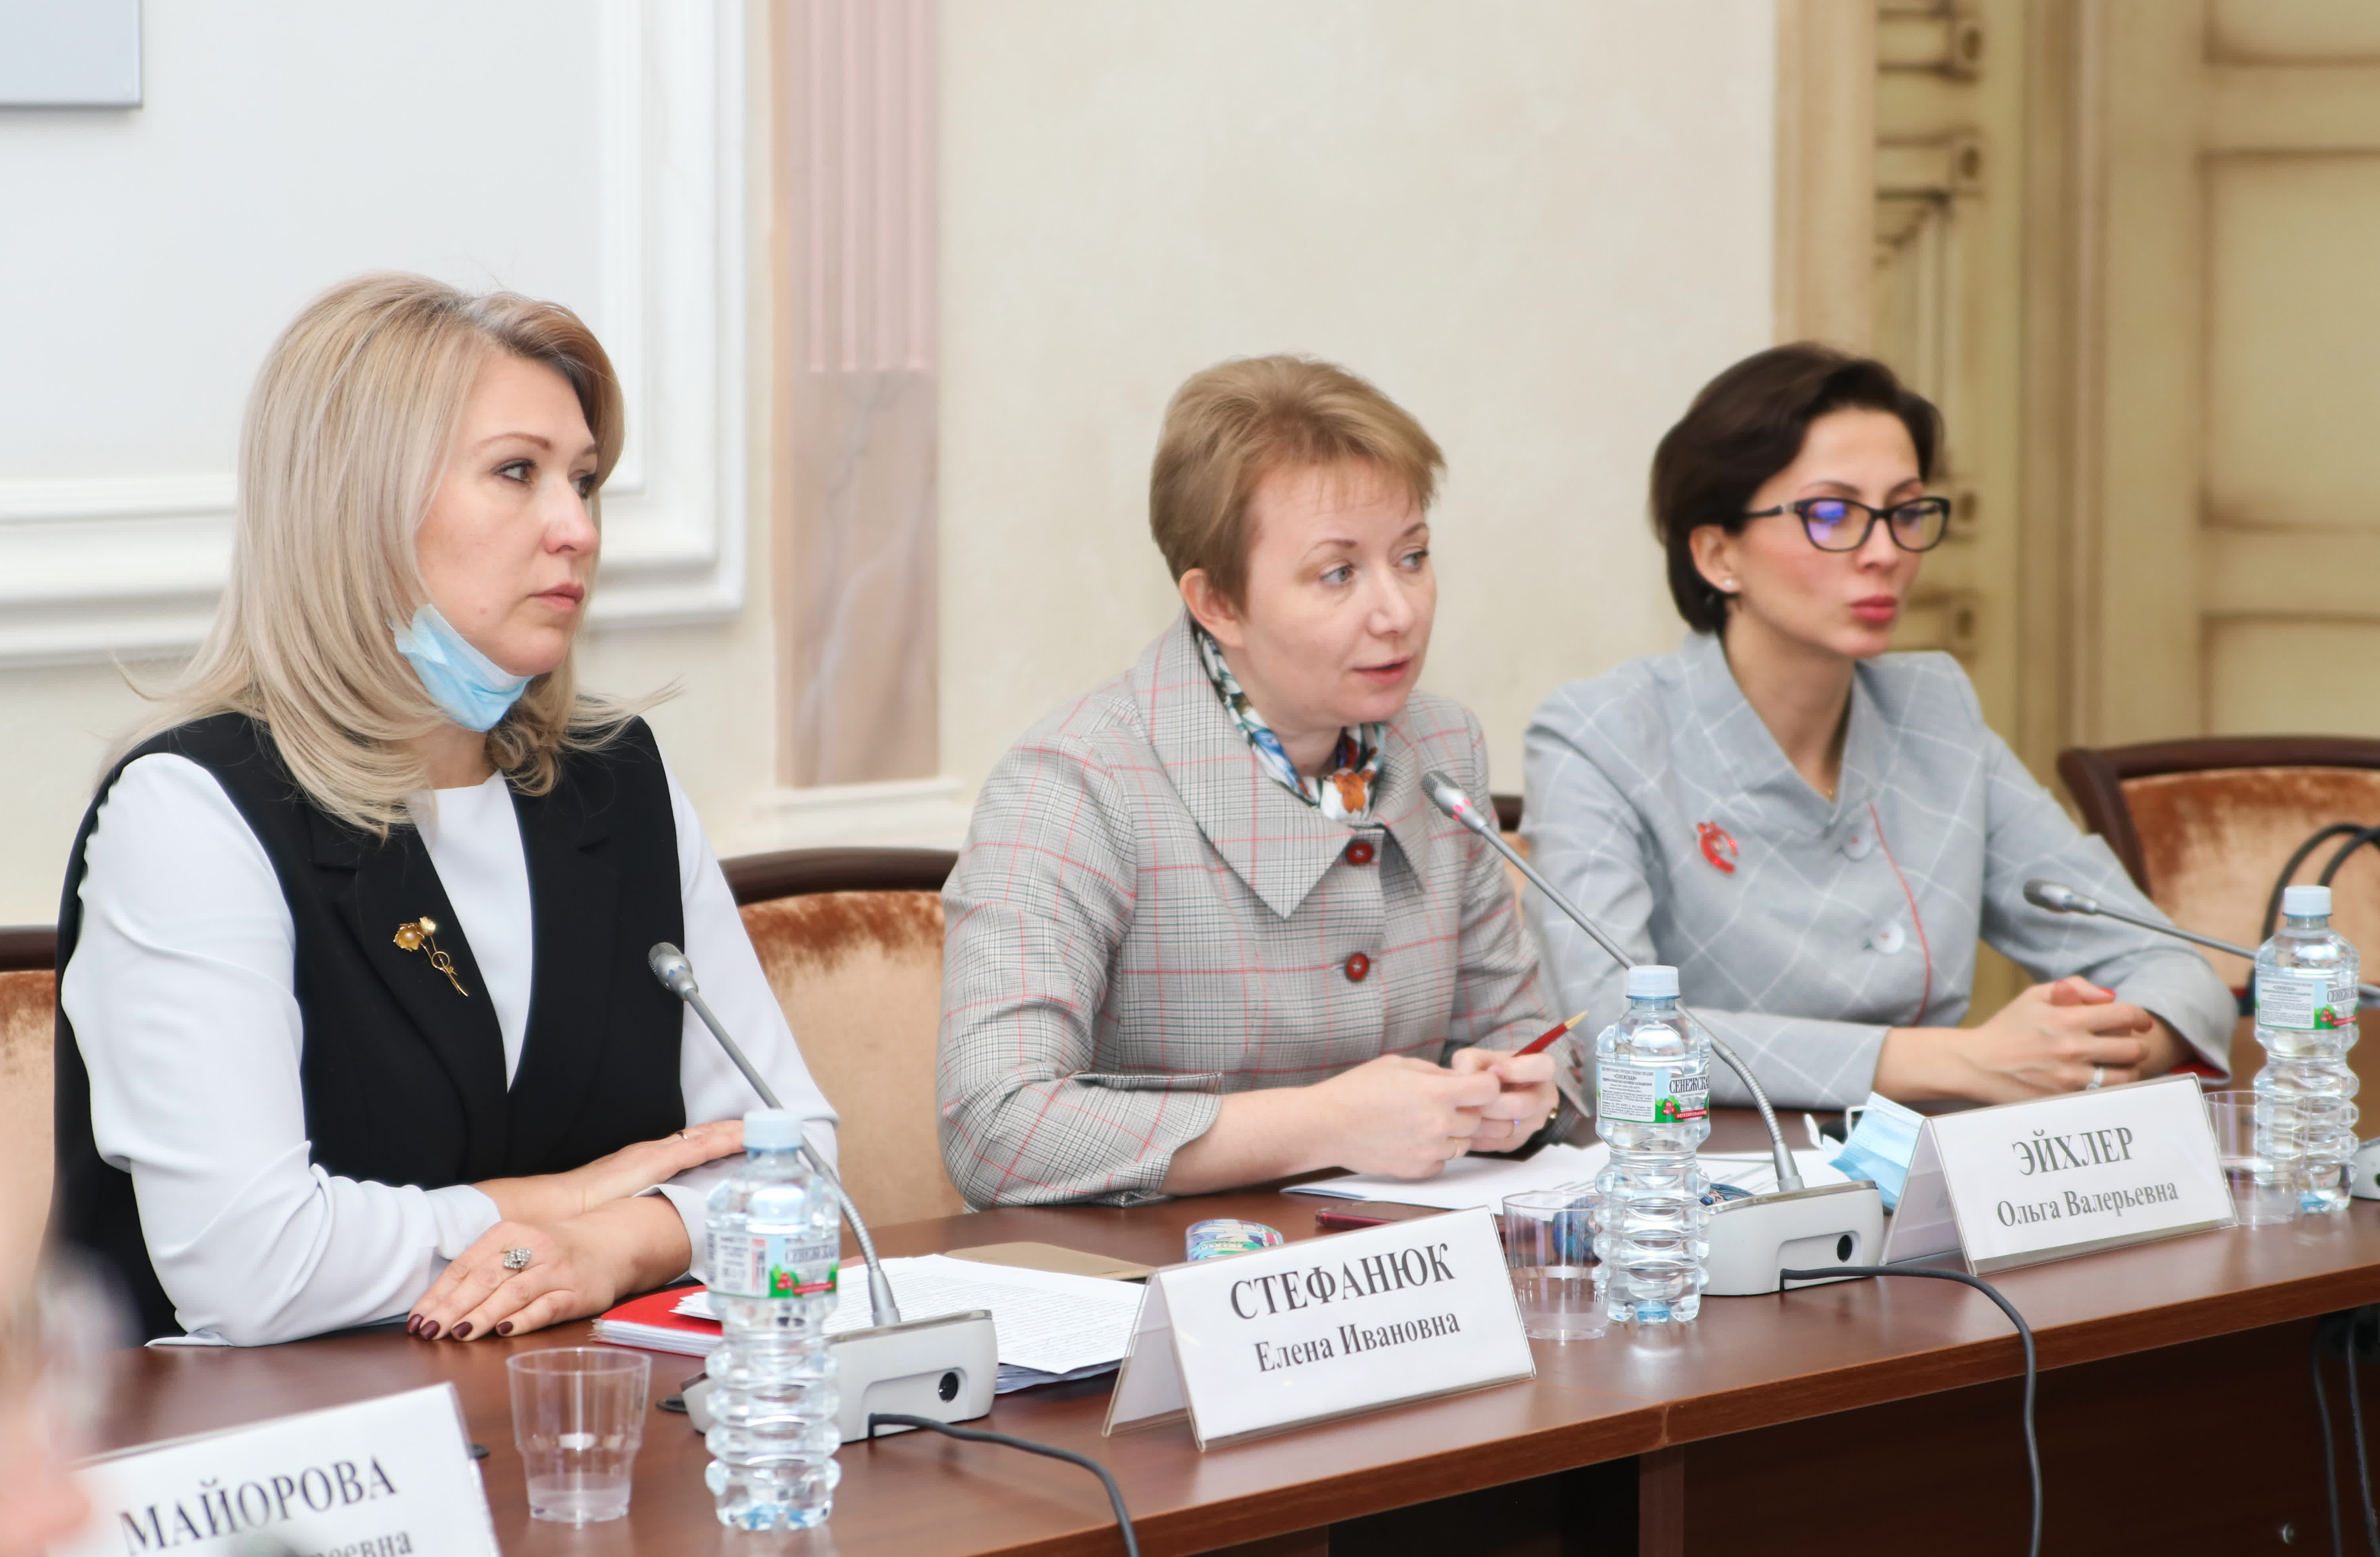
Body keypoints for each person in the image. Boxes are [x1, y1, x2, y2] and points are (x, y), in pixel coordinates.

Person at [52, 274, 834, 1347]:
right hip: (274, 1443)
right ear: (359, 509)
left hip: (583, 1423)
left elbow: (804, 1164)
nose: (577, 529)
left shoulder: (619, 784)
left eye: (585, 481)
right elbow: (252, 1269)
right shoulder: (190, 811)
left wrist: (622, 1244)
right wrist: (560, 1203)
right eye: (518, 473)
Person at [1522, 344, 2233, 1113]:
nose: (1886, 553)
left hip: (1929, 1166)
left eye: (1905, 512)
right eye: (1832, 514)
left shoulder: (1934, 713)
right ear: (1718, 552)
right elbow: (1611, 1034)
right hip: (1710, 1170)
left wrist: (2082, 1057)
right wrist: (1962, 1060)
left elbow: (2172, 969)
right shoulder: (1603, 735)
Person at [938, 355, 1560, 1208]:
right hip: (1162, 1272)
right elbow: (994, 1126)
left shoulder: (1442, 747)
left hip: (1407, 1260)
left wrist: (1517, 1095)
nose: (1399, 612)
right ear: (1218, 604)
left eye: (1412, 557)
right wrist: (1323, 1125)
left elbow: (1523, 1032)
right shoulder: (1075, 783)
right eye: (1339, 573)